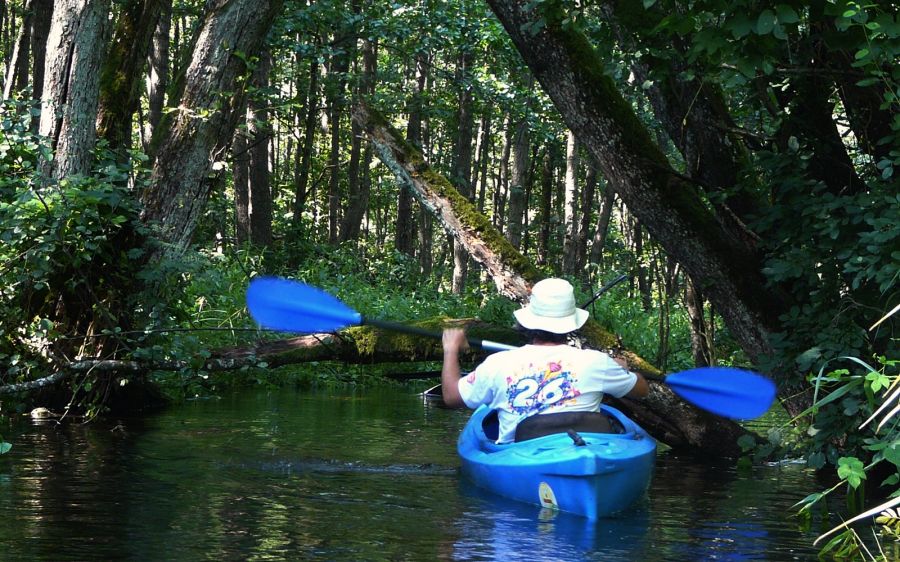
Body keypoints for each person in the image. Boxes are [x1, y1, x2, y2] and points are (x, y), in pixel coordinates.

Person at [441, 277, 648, 444]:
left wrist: (450, 350)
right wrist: (624, 370)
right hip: (586, 447)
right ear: (572, 324)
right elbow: (642, 390)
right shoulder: (598, 362)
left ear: (527, 323)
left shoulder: (498, 364)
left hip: (521, 456)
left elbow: (451, 396)